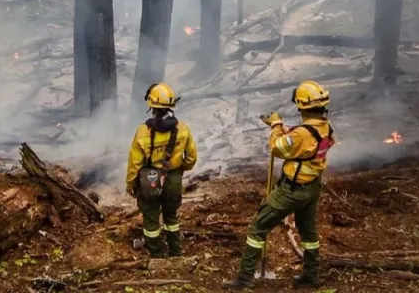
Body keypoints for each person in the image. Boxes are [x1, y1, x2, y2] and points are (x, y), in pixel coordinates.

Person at [224, 80, 336, 290]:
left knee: (258, 228)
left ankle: (244, 279)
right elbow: (305, 143)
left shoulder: (302, 133)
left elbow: (277, 148)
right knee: (308, 233)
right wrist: (288, 131)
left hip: (292, 190)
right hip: (312, 187)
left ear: (302, 106)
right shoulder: (325, 127)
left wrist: (276, 126)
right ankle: (311, 276)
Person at [125, 82, 198, 258]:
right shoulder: (183, 129)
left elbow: (135, 163)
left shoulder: (143, 132)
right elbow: (191, 158)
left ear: (151, 105)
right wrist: (179, 170)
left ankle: (156, 254)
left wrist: (131, 184)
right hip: (173, 178)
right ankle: (176, 252)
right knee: (171, 216)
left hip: (150, 178)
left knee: (151, 218)